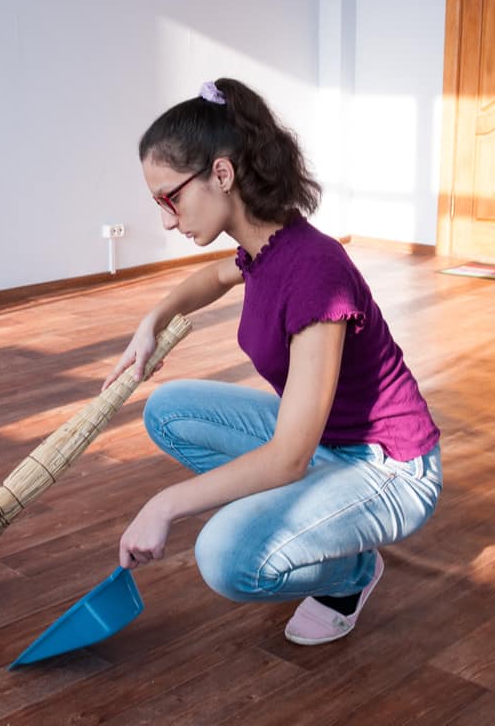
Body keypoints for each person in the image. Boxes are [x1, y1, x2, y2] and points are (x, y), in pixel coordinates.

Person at [102, 78, 442, 645]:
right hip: (323, 446)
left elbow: (288, 458)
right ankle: (312, 519)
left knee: (226, 556)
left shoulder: (314, 272)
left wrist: (164, 505)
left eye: (170, 198)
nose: (166, 220)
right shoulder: (266, 247)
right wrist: (152, 320)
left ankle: (351, 574)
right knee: (168, 410)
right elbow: (214, 276)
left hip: (388, 469)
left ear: (222, 174)